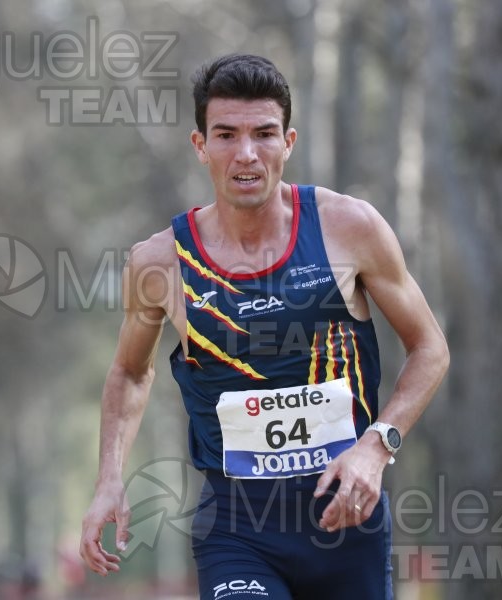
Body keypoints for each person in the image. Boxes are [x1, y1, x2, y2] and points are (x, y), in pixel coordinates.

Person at [79, 54, 449, 599]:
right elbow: (131, 374)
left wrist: (377, 445)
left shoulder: (349, 228)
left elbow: (430, 349)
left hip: (346, 517)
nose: (246, 154)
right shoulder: (161, 263)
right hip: (236, 526)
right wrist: (110, 476)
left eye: (264, 134)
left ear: (289, 142)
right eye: (226, 134)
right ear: (200, 146)